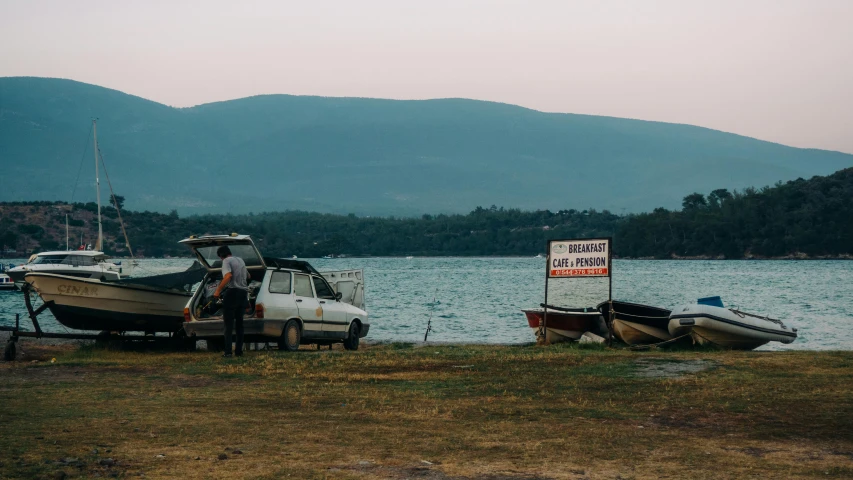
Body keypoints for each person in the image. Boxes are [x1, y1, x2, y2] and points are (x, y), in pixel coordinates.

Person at [213, 245, 249, 357]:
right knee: (239, 325)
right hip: (243, 293)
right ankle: (239, 351)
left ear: (221, 256)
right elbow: (249, 276)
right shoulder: (241, 260)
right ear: (229, 252)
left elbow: (228, 276)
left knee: (228, 325)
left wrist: (218, 291)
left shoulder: (226, 261)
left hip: (232, 292)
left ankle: (228, 352)